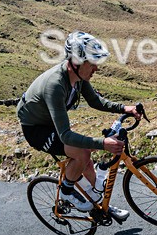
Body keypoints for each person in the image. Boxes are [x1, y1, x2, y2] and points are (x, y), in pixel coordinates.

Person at [17, 31, 140, 218]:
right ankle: (67, 191)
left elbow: (95, 101)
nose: (96, 68)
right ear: (76, 62)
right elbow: (65, 136)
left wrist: (124, 108)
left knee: (87, 163)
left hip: (51, 121)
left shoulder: (78, 77)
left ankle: (99, 205)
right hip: (36, 129)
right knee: (83, 153)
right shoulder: (55, 85)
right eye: (92, 63)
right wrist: (103, 143)